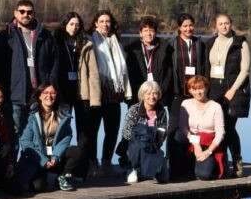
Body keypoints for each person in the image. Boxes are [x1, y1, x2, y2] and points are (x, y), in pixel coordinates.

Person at [0, 0, 59, 140]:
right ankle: (14, 156)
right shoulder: (6, 35)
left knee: (37, 136)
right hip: (15, 95)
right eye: (22, 11)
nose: (26, 15)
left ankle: (34, 156)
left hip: (39, 95)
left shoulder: (45, 35)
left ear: (34, 14)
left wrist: (50, 82)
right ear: (15, 13)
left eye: (29, 12)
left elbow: (55, 60)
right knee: (14, 135)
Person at [53, 12, 102, 179]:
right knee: (62, 130)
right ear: (65, 25)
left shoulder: (85, 44)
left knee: (84, 133)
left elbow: (93, 73)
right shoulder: (57, 42)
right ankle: (61, 167)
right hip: (63, 93)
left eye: (77, 25)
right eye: (71, 24)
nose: (74, 27)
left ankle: (81, 169)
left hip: (82, 93)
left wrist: (95, 98)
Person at [204, 13, 251, 177]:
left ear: (231, 24)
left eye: (227, 23)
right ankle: (222, 163)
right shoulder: (210, 43)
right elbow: (207, 68)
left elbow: (245, 70)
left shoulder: (240, 43)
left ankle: (237, 160)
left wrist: (232, 90)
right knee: (217, 127)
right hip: (213, 89)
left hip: (233, 89)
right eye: (221, 24)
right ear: (216, 26)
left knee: (229, 127)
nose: (224, 26)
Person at [16, 83, 82, 192]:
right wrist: (43, 161)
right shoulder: (30, 115)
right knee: (39, 187)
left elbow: (67, 136)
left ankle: (62, 177)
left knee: (77, 152)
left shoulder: (63, 114)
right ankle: (39, 176)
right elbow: (26, 142)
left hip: (55, 156)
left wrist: (56, 156)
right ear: (40, 96)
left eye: (53, 93)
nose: (49, 96)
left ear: (57, 95)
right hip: (38, 158)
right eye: (45, 93)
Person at [89, 10, 132, 177]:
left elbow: (122, 68)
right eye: (101, 21)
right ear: (95, 23)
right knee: (93, 130)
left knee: (112, 130)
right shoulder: (91, 40)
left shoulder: (116, 41)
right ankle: (92, 163)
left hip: (114, 93)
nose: (105, 24)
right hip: (97, 92)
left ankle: (107, 162)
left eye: (108, 21)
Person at [167, 12, 206, 176]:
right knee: (174, 129)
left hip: (195, 94)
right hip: (177, 94)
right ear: (179, 28)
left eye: (190, 25)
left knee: (194, 128)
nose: (188, 28)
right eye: (185, 26)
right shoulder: (171, 44)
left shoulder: (199, 44)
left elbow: (204, 68)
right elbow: (169, 70)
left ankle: (190, 165)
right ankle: (172, 165)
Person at [174, 75, 225, 180]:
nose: (198, 92)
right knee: (177, 135)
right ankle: (181, 165)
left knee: (203, 175)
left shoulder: (216, 107)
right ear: (190, 91)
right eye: (194, 89)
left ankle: (215, 162)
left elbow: (220, 132)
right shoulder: (186, 104)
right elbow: (183, 127)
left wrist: (208, 151)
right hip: (191, 140)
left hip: (208, 143)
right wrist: (196, 143)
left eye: (201, 88)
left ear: (206, 88)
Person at [122, 80, 169, 184]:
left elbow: (162, 133)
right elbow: (126, 132)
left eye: (155, 93)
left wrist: (153, 145)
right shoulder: (134, 109)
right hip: (135, 146)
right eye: (148, 94)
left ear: (158, 95)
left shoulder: (162, 111)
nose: (152, 97)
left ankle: (149, 167)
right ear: (143, 95)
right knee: (133, 180)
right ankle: (133, 168)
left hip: (153, 146)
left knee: (164, 178)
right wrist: (142, 140)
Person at [124, 16, 173, 106]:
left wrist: (160, 92)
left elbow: (168, 74)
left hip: (158, 96)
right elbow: (129, 75)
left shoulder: (165, 48)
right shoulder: (131, 50)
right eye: (145, 31)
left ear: (155, 32)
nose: (149, 34)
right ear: (140, 33)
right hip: (137, 97)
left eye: (152, 30)